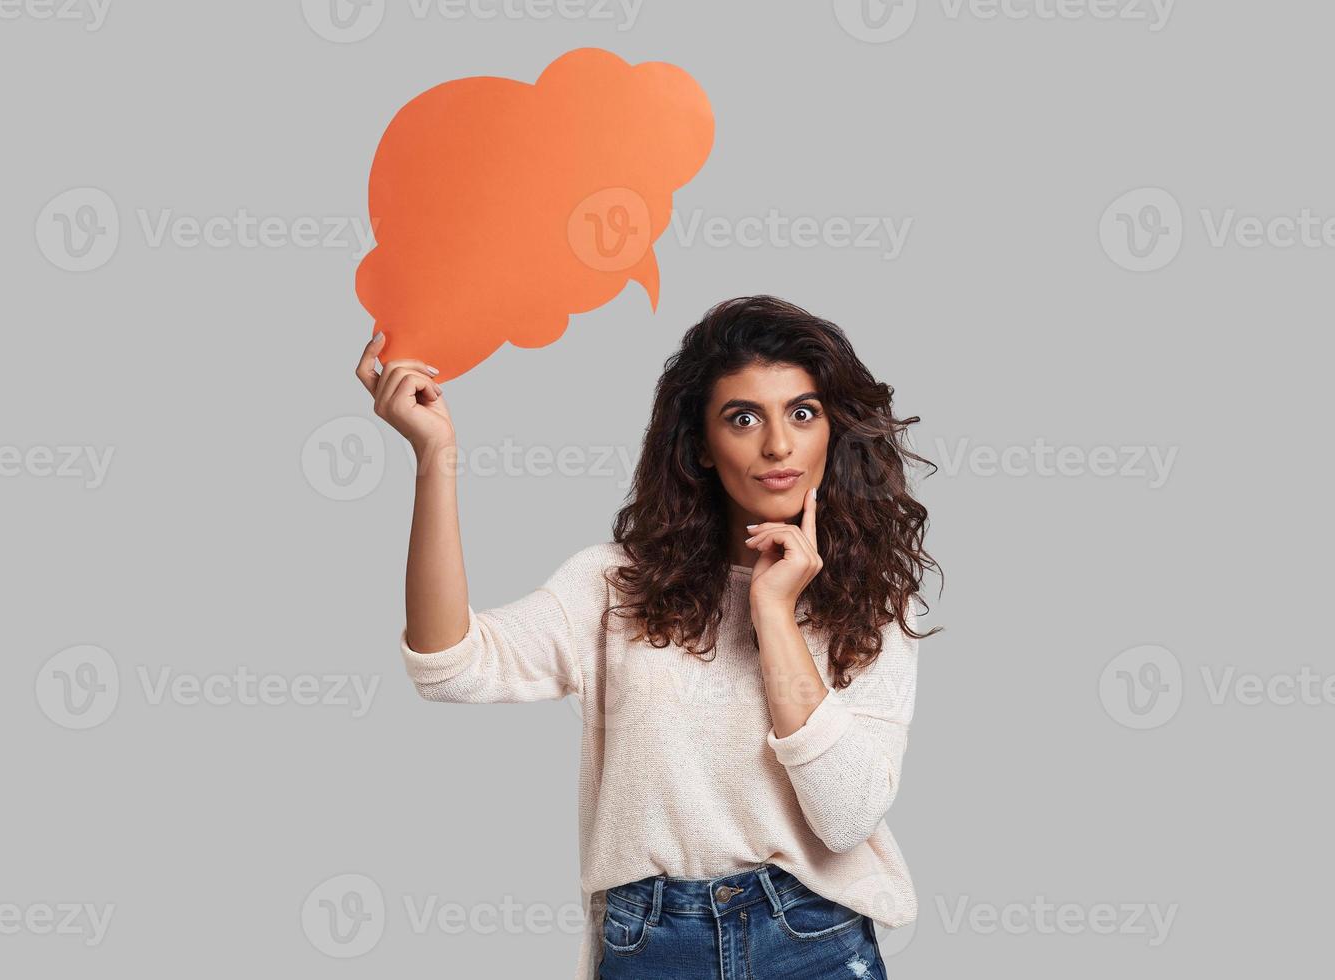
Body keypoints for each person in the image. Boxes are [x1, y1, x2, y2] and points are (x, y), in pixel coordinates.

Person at [355, 295, 942, 980]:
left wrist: (774, 613)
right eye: (743, 417)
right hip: (655, 943)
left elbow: (846, 817)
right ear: (699, 444)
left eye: (802, 413)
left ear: (832, 431)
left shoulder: (870, 601)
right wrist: (436, 457)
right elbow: (447, 666)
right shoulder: (614, 586)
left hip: (809, 936)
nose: (777, 445)